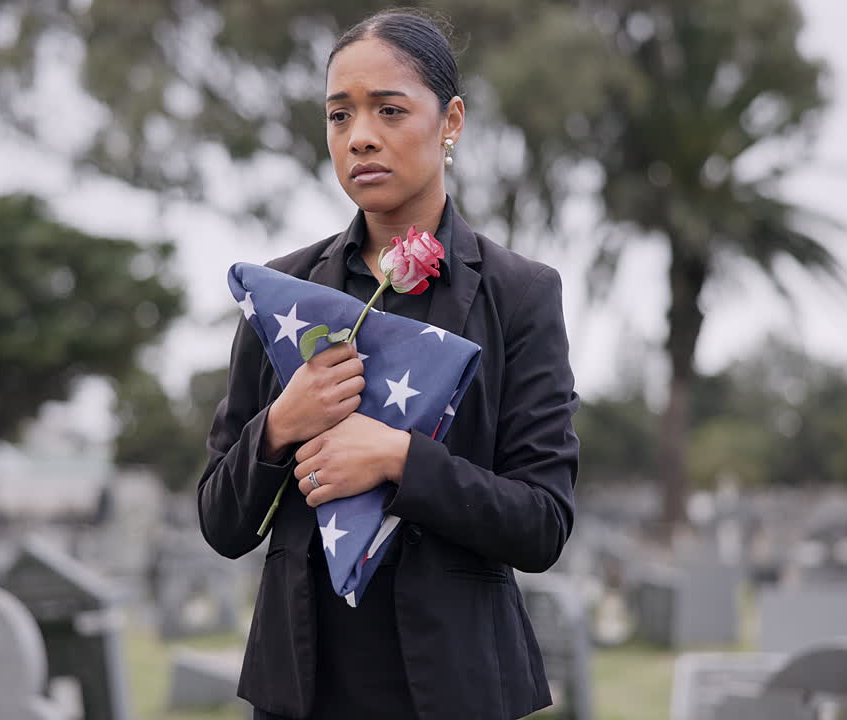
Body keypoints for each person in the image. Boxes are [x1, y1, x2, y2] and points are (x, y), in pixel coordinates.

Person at [198, 9, 580, 720]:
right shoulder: (281, 293)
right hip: (302, 690)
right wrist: (283, 424)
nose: (360, 136)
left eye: (389, 109)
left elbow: (543, 523)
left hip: (456, 691)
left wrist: (401, 459)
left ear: (451, 121)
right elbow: (220, 522)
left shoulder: (519, 294)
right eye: (339, 115)